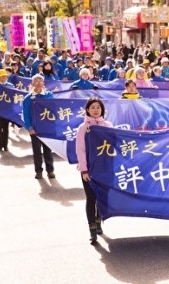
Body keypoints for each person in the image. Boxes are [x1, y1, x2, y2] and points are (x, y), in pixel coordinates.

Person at [75, 97, 113, 242]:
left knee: (102, 197)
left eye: (98, 107)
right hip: (89, 169)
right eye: (93, 107)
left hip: (105, 169)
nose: (96, 110)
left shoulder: (108, 125)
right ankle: (92, 230)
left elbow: (114, 146)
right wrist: (84, 170)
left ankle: (98, 221)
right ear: (87, 110)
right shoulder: (83, 128)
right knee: (91, 198)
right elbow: (80, 150)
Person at [22, 74, 56, 179]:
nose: (38, 83)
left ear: (43, 83)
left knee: (48, 150)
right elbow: (26, 114)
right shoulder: (28, 98)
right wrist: (29, 127)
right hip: (35, 129)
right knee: (37, 151)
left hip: (47, 128)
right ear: (32, 84)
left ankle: (50, 170)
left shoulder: (49, 95)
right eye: (35, 81)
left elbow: (54, 110)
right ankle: (38, 171)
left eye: (40, 81)